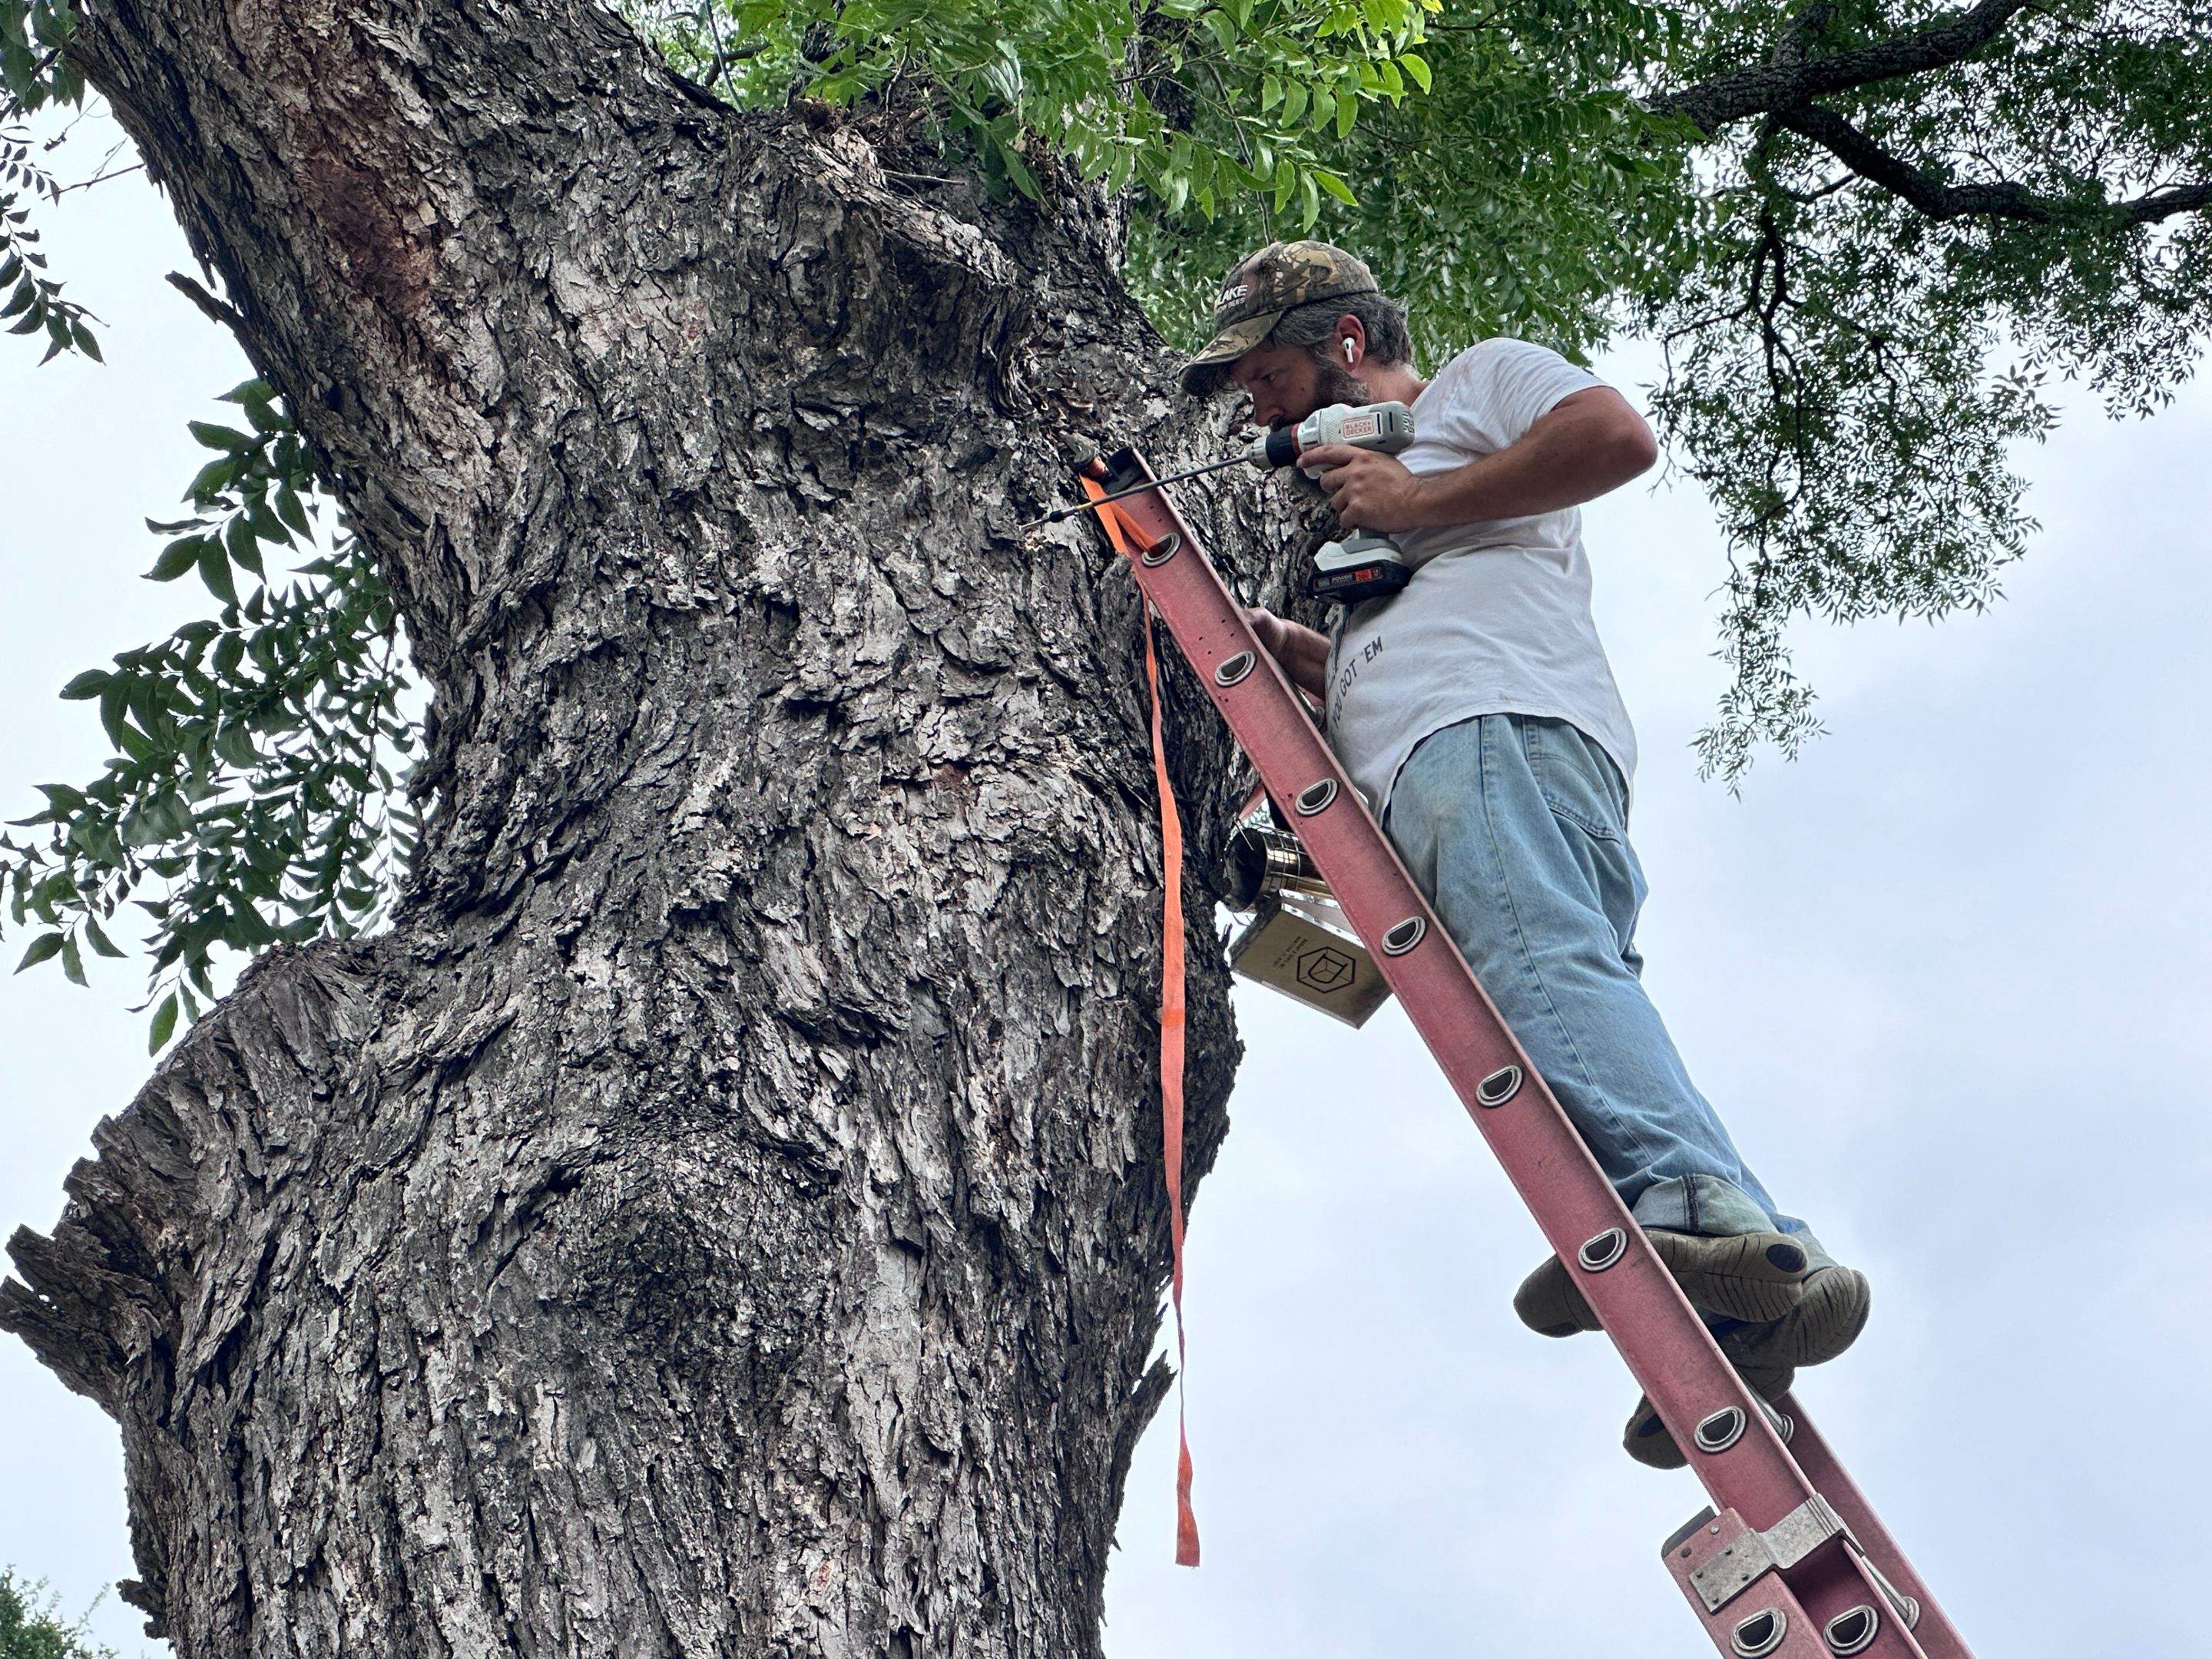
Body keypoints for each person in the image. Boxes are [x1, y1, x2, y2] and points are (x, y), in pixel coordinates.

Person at [1181, 240, 1869, 1468]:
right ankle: (1742, 1319)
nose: (1256, 404)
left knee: (1541, 967)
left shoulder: (1477, 385)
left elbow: (1615, 437)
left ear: (1348, 344)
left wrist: (1412, 504)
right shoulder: (1410, 517)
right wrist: (1318, 666)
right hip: (1462, 747)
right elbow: (1438, 625)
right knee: (1551, 999)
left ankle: (1700, 1204)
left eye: (1267, 373)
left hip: (1491, 731)